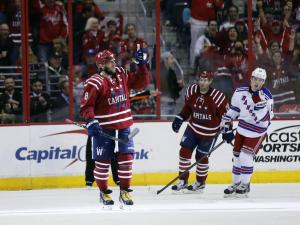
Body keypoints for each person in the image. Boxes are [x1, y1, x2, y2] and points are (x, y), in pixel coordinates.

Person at [80, 48, 150, 208]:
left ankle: (124, 191)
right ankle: (103, 193)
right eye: (110, 61)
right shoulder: (94, 82)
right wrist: (91, 121)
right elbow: (86, 107)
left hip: (125, 126)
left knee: (126, 161)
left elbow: (141, 83)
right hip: (103, 129)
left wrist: (142, 66)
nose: (114, 63)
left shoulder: (121, 73)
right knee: (102, 163)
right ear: (101, 65)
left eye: (113, 60)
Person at [171, 71, 228, 193]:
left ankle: (200, 182)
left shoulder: (218, 97)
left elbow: (226, 115)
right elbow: (187, 108)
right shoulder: (192, 90)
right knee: (184, 151)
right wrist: (180, 117)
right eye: (201, 80)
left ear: (210, 81)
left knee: (201, 157)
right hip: (193, 128)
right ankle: (183, 181)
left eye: (206, 80)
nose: (202, 83)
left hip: (209, 133)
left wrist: (227, 130)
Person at [220, 67, 273, 197]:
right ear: (251, 79)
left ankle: (245, 184)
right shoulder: (240, 91)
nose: (257, 82)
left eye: (260, 80)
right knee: (237, 156)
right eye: (255, 79)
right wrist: (226, 124)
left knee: (245, 156)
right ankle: (235, 183)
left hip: (257, 131)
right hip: (242, 128)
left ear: (263, 82)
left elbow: (268, 117)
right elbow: (235, 109)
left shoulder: (267, 96)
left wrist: (259, 104)